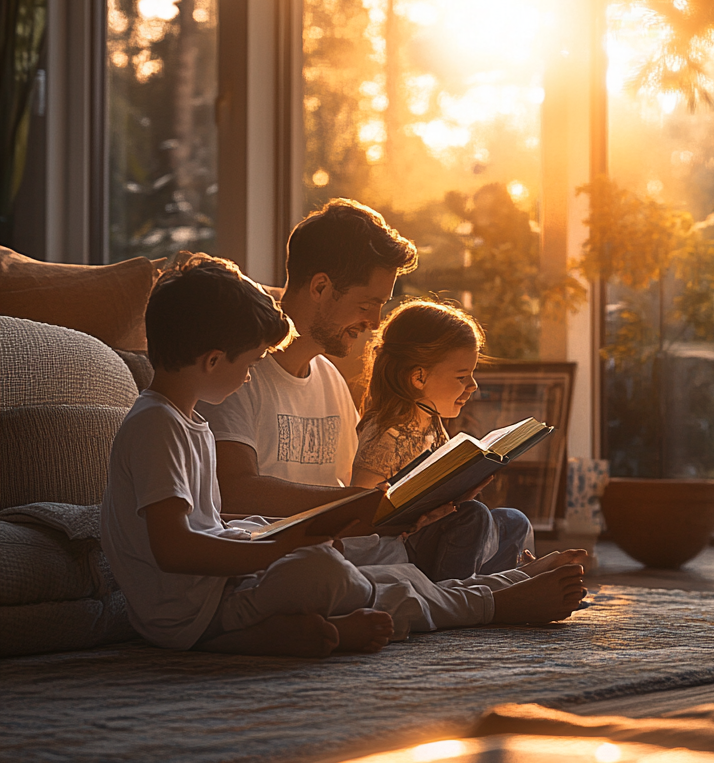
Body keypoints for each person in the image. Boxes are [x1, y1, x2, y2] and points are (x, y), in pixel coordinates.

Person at [102, 253, 586, 657]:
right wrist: (279, 548)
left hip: (215, 592)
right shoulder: (156, 425)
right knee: (325, 571)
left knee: (382, 572)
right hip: (188, 613)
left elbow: (207, 523)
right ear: (212, 361)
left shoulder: (187, 421)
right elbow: (174, 549)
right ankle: (496, 603)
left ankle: (495, 590)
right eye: (250, 363)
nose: (251, 376)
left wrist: (271, 532)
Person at [200, 199, 532, 579]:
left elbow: (356, 495)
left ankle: (494, 583)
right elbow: (235, 490)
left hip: (353, 550)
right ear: (322, 287)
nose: (375, 322)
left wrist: (426, 505)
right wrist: (362, 504)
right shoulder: (239, 374)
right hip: (285, 562)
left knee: (497, 524)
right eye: (368, 304)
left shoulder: (328, 379)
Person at [352, 299, 536, 580]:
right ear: (419, 377)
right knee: (473, 517)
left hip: (433, 537)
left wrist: (461, 493)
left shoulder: (432, 422)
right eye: (462, 376)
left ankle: (499, 584)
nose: (473, 386)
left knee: (513, 521)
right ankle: (458, 595)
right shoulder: (385, 432)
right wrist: (416, 525)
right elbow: (361, 520)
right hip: (400, 549)